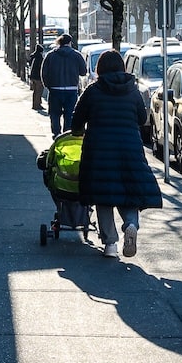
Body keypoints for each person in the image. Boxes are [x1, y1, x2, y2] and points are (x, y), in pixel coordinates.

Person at [73, 50, 162, 258]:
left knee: (103, 196)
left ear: (100, 68)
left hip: (99, 151)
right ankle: (131, 224)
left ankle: (110, 244)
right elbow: (142, 118)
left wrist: (77, 132)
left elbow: (77, 118)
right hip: (129, 149)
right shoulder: (133, 91)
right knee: (128, 194)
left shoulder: (93, 91)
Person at [41, 33, 88, 139]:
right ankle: (67, 133)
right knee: (70, 114)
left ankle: (56, 133)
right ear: (70, 43)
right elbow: (83, 72)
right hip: (71, 89)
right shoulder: (76, 55)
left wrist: (48, 86)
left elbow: (44, 73)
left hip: (55, 89)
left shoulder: (50, 55)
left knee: (55, 114)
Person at [27, 44, 47, 112]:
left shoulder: (33, 57)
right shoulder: (40, 58)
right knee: (39, 91)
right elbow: (41, 68)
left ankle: (35, 104)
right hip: (38, 77)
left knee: (35, 91)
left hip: (33, 76)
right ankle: (37, 105)